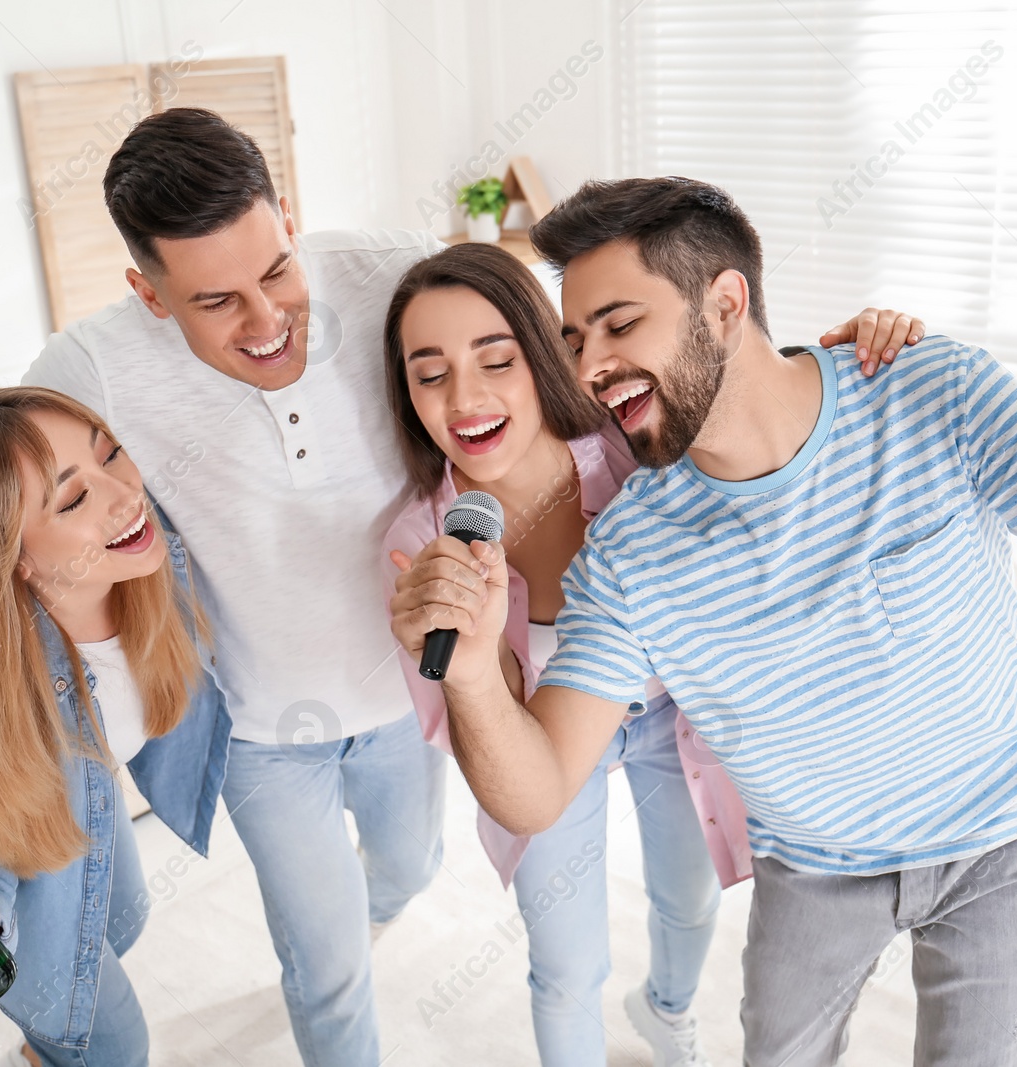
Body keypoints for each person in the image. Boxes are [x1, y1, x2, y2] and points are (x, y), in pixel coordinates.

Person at [391, 177, 1017, 1066]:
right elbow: (540, 789)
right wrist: (478, 673)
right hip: (814, 865)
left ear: (724, 302)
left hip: (1010, 839)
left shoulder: (931, 391)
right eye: (576, 339)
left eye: (620, 324)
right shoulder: (631, 545)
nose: (590, 365)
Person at [0, 108, 448, 1065]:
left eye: (275, 270)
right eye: (217, 301)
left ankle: (376, 902)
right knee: (330, 971)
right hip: (262, 737)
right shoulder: (90, 366)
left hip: (409, 694)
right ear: (150, 293)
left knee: (412, 869)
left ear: (287, 216)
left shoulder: (399, 273)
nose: (267, 322)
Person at [382, 241, 925, 1065]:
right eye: (430, 373)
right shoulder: (422, 545)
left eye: (497, 359)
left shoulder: (634, 450)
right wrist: (472, 656)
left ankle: (666, 1008)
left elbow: (755, 407)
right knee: (566, 969)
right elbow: (471, 737)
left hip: (673, 712)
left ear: (545, 357)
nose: (466, 397)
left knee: (692, 896)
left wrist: (853, 348)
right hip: (541, 748)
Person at [0, 387, 231, 1067]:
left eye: (112, 455)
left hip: (78, 796)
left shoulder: (151, 568)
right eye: (72, 500)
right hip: (0, 824)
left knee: (122, 916)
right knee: (111, 1042)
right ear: (10, 557)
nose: (125, 495)